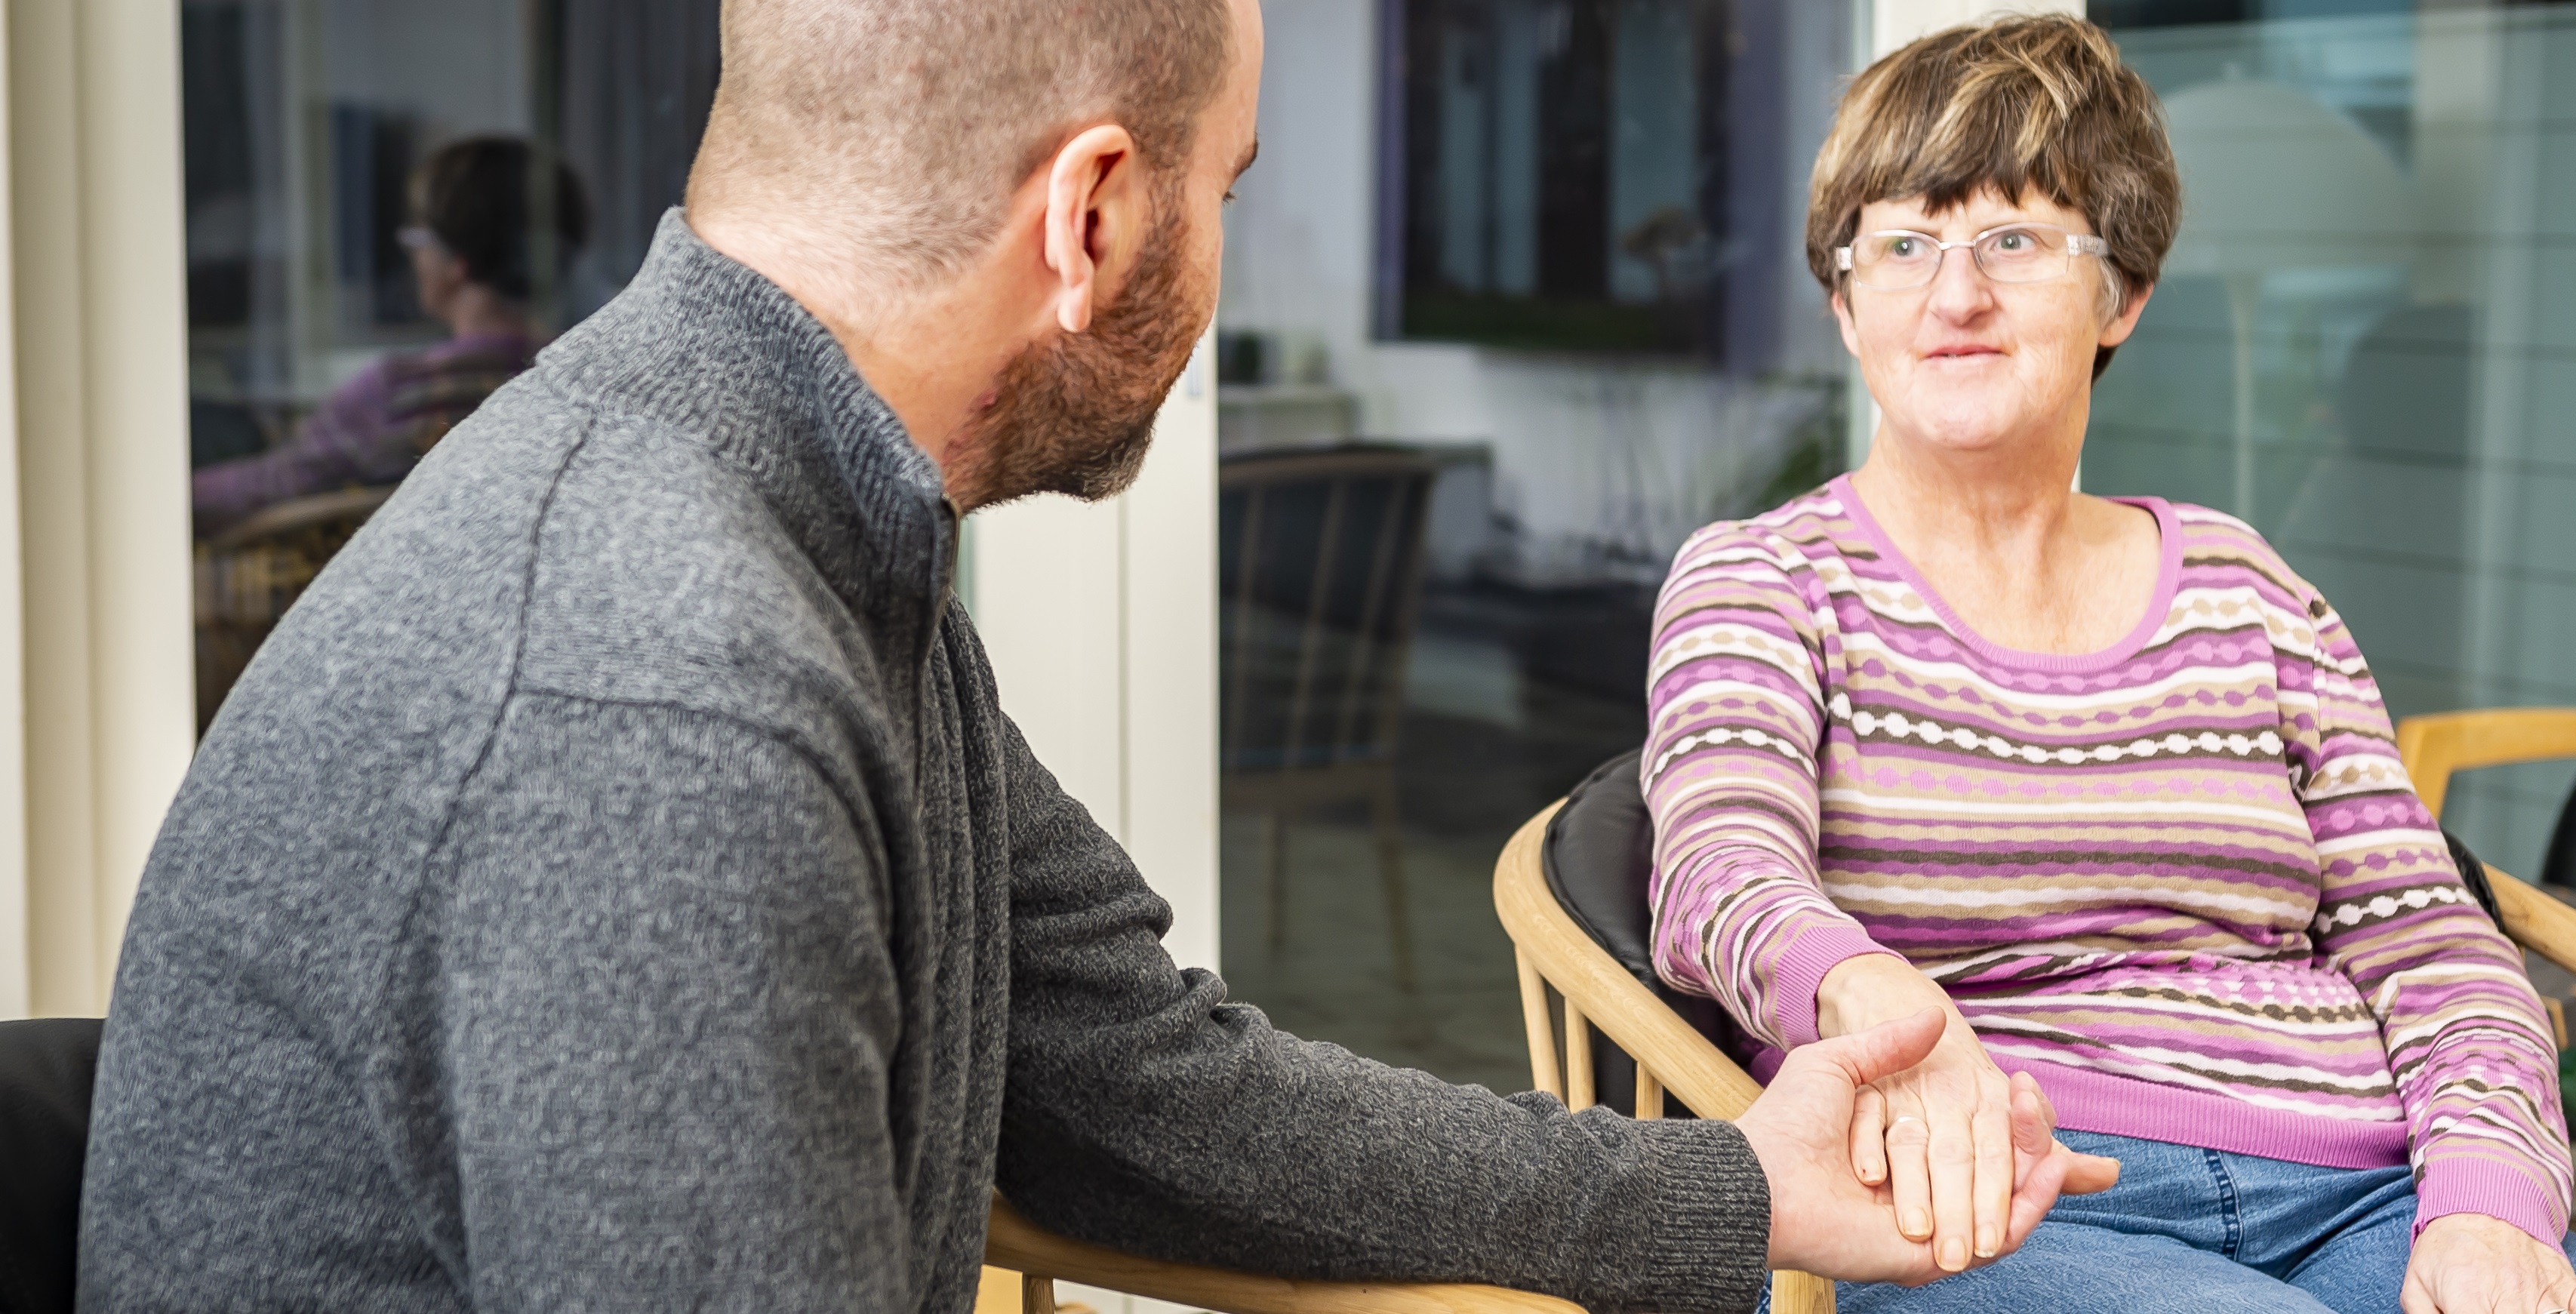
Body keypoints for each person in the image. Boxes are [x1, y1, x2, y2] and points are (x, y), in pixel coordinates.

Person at [82, 2, 2123, 1312]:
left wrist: (1718, 1190)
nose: (1225, 272)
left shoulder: (804, 533)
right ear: (1089, 216)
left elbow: (1147, 1085)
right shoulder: (656, 702)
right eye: (1221, 196)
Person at [1642, 17, 2576, 1314]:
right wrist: (1873, 999)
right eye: (1902, 245)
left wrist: (2487, 1203)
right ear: (1849, 306)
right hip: (1986, 1196)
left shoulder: (2250, 593)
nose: (1952, 293)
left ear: (2121, 293)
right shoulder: (1765, 579)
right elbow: (1717, 875)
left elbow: (2432, 945)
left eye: (2011, 240)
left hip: (2363, 1185)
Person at [192, 136, 587, 534]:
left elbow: (269, 484)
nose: (414, 257)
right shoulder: (582, 382)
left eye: (419, 240)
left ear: (458, 265)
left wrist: (164, 491)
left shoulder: (399, 394)